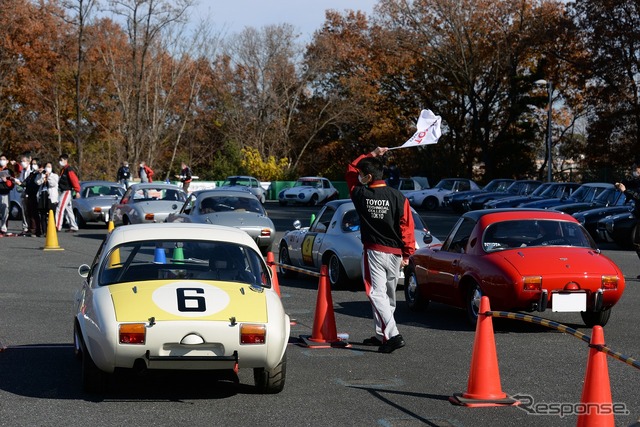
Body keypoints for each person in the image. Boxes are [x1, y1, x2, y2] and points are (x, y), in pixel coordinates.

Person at [346, 146, 416, 353]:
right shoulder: (398, 196)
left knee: (376, 294)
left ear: (367, 177)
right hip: (395, 254)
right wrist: (407, 253)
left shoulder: (360, 193)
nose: (358, 177)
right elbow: (407, 226)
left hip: (374, 251)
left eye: (361, 175)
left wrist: (371, 153)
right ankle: (382, 335)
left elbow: (350, 169)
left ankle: (393, 335)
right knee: (388, 296)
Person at [615, 163, 640, 277]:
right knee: (637, 243)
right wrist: (620, 184)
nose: (635, 171)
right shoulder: (637, 181)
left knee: (637, 242)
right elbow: (628, 183)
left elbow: (638, 195)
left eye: (637, 169)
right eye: (634, 169)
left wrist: (625, 191)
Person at [55, 154, 81, 232]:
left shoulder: (69, 170)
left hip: (67, 191)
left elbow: (74, 180)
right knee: (68, 210)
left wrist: (77, 191)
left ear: (65, 160)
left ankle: (57, 226)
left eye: (61, 160)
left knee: (59, 208)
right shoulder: (63, 170)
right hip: (63, 191)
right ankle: (73, 226)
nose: (60, 162)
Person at [36, 161, 59, 235]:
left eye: (49, 167)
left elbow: (53, 184)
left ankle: (52, 230)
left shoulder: (55, 175)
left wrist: (48, 176)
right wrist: (41, 175)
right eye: (47, 167)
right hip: (42, 195)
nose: (48, 168)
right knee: (42, 214)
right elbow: (37, 182)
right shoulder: (42, 175)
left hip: (51, 197)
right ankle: (44, 231)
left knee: (51, 214)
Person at [21, 157, 42, 237]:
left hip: (36, 195)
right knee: (29, 213)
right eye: (32, 164)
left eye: (35, 164)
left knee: (35, 214)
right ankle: (31, 229)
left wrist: (41, 172)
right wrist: (18, 182)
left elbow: (38, 183)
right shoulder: (31, 174)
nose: (33, 165)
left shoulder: (40, 173)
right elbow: (25, 183)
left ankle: (36, 230)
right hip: (29, 195)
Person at [0, 155, 16, 235]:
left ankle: (3, 228)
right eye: (1, 159)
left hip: (5, 193)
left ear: (7, 161)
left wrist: (6, 180)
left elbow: (12, 184)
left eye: (3, 159)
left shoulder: (9, 171)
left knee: (5, 211)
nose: (2, 161)